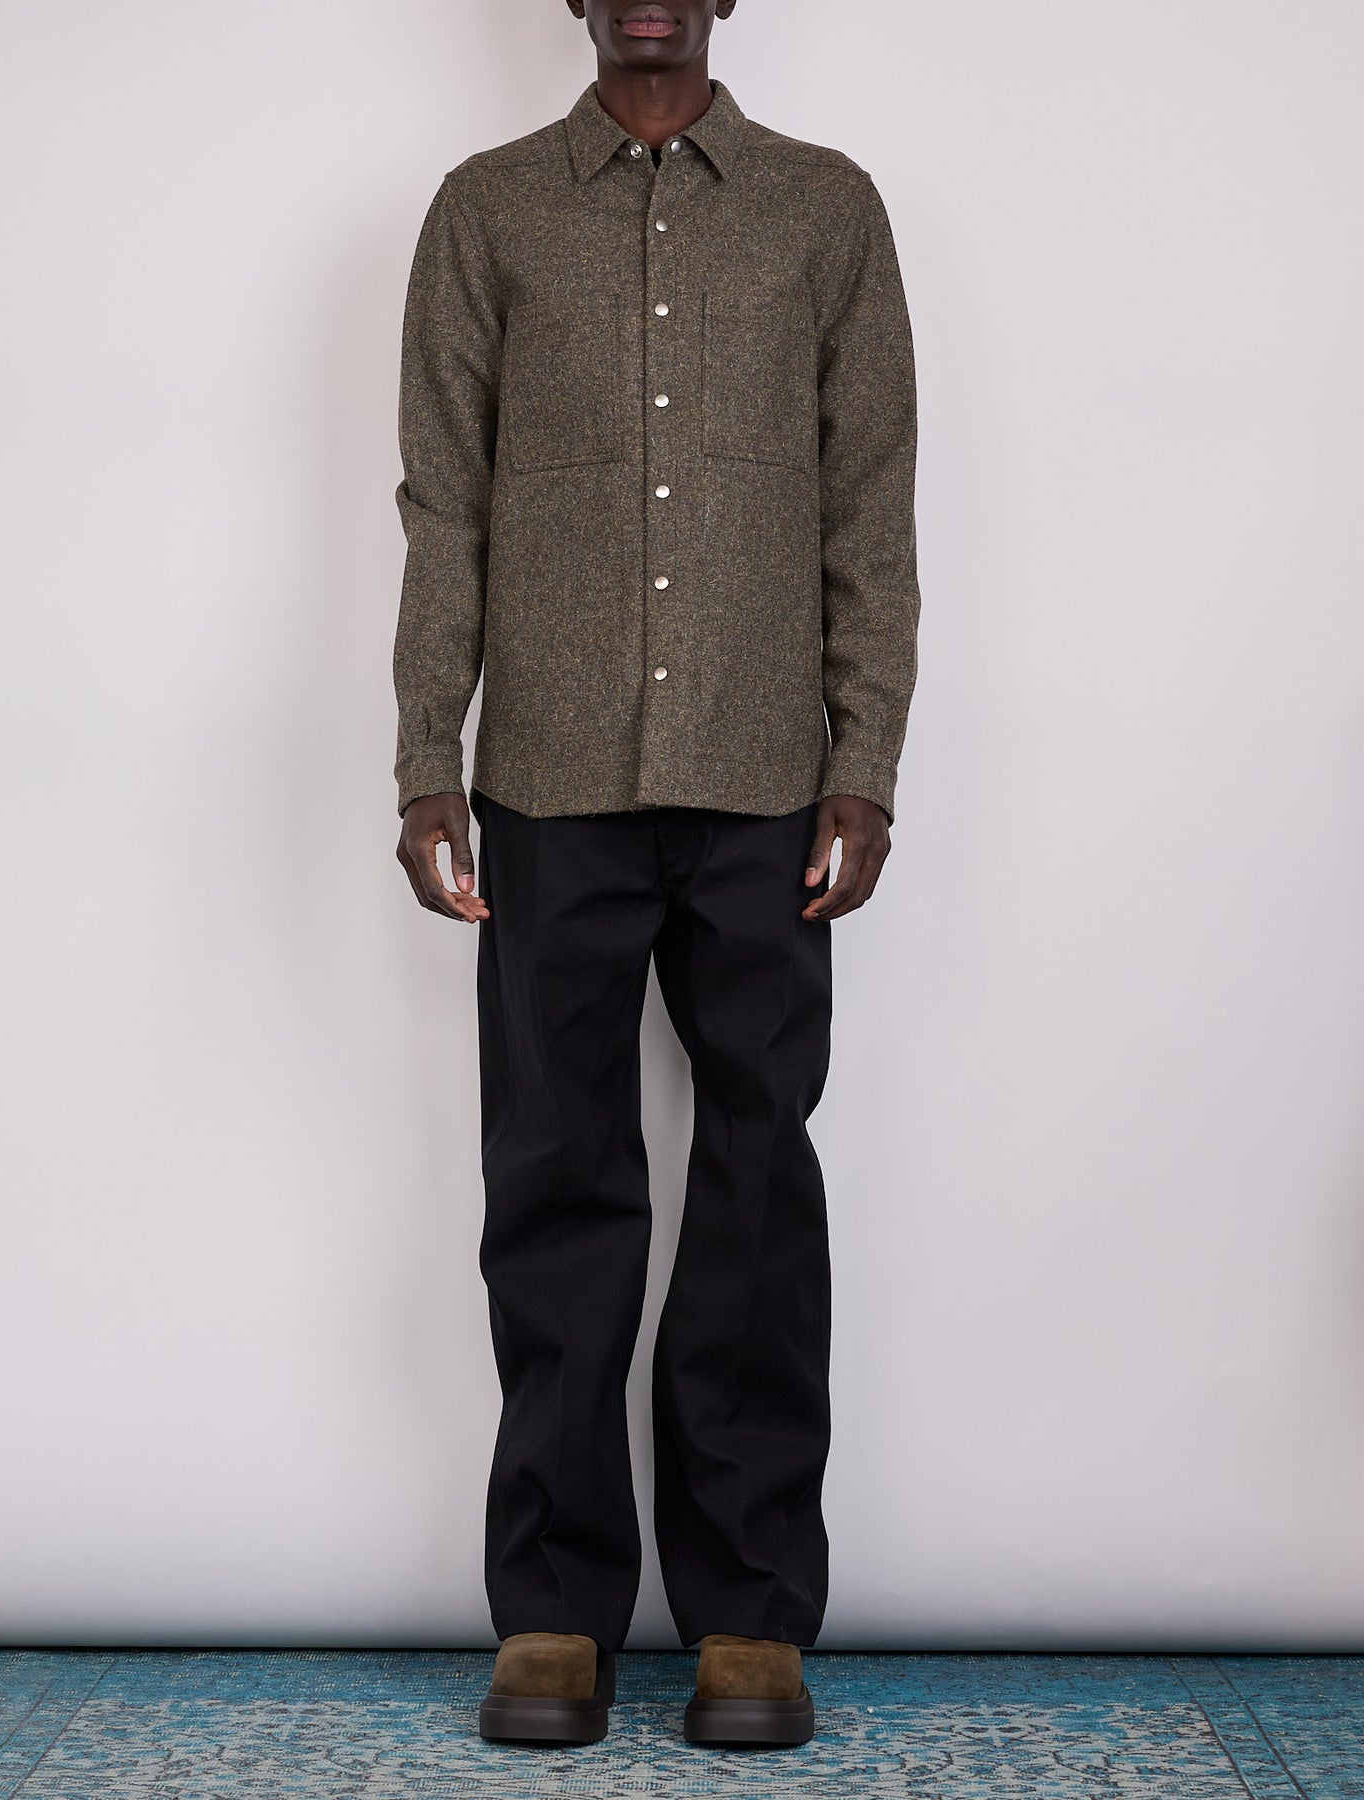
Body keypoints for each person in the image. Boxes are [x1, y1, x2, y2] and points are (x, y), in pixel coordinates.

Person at [391, 0, 920, 1751]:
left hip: (767, 774)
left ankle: (750, 1615)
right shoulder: (487, 208)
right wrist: (426, 756)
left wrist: (863, 761)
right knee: (556, 1176)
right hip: (550, 777)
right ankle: (553, 1608)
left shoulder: (825, 207)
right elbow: (443, 501)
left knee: (757, 1182)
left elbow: (871, 500)